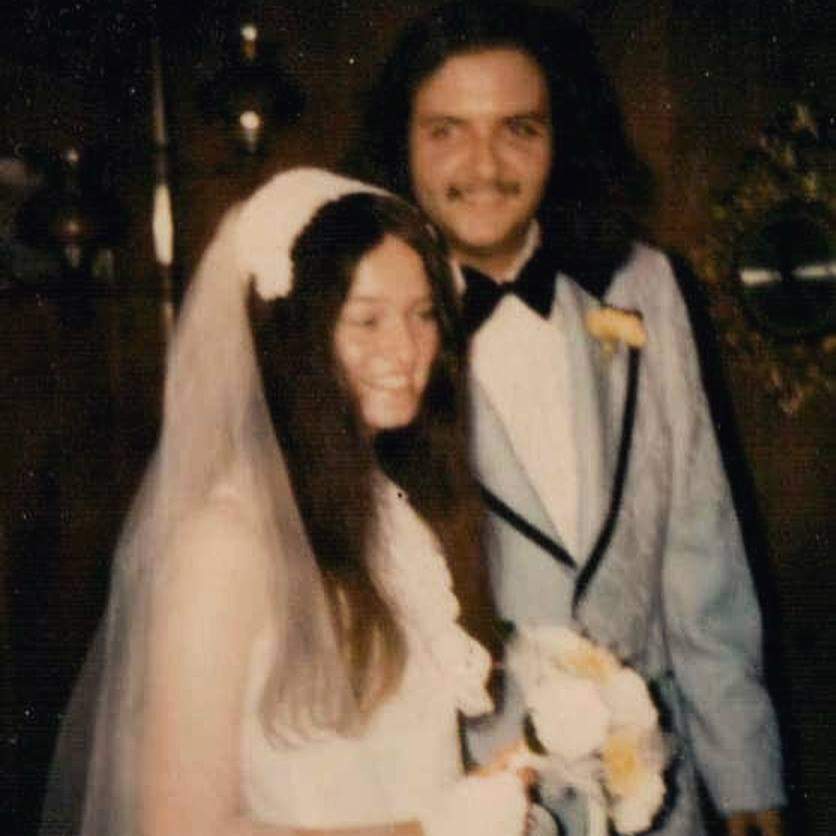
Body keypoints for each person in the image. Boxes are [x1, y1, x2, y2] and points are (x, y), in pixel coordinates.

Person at [347, 3, 786, 834]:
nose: (485, 165)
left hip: (653, 794)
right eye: (447, 131)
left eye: (519, 128)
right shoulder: (362, 321)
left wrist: (745, 771)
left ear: (562, 139)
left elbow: (701, 549)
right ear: (401, 147)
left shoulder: (643, 286)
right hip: (470, 799)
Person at [39, 167, 537, 836]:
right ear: (296, 336)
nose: (405, 348)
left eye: (423, 315)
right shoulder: (225, 544)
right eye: (366, 320)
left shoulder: (396, 510)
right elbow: (178, 826)